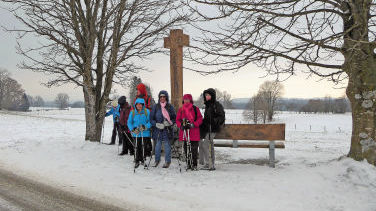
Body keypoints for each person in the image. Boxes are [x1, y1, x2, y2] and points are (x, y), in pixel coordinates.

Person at [199, 88, 225, 170]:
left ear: (212, 96)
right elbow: (207, 118)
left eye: (209, 95)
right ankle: (211, 163)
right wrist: (202, 123)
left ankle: (209, 163)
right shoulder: (207, 105)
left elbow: (222, 117)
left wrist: (214, 121)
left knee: (206, 144)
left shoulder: (216, 105)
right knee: (210, 145)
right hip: (208, 128)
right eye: (206, 95)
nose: (207, 96)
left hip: (213, 128)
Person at [176, 94, 203, 170]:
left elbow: (200, 119)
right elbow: (178, 120)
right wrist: (181, 125)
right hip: (185, 133)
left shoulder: (195, 109)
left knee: (194, 149)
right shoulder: (181, 109)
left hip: (194, 132)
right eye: (185, 99)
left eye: (188, 99)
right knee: (186, 149)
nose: (186, 100)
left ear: (190, 100)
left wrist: (193, 124)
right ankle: (188, 163)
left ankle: (194, 164)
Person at [150, 90, 176, 168]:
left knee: (167, 146)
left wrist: (170, 122)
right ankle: (157, 160)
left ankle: (167, 161)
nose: (162, 98)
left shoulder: (170, 107)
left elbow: (174, 118)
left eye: (163, 96)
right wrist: (156, 124)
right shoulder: (156, 106)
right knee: (157, 146)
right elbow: (151, 119)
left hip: (167, 130)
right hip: (157, 130)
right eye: (161, 97)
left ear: (166, 97)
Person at [127, 98, 152, 168]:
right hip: (136, 133)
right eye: (137, 104)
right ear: (135, 105)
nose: (139, 106)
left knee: (143, 147)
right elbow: (129, 122)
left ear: (143, 105)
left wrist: (145, 126)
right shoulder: (133, 112)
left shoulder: (147, 112)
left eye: (140, 104)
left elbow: (150, 122)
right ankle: (137, 160)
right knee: (136, 146)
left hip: (145, 133)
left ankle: (143, 159)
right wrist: (132, 129)